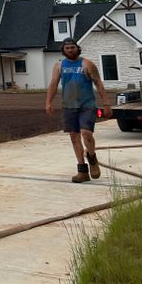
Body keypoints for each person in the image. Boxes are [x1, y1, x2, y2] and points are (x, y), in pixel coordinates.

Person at [45, 38, 113, 183]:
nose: (70, 50)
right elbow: (53, 84)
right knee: (74, 137)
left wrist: (107, 103)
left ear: (77, 48)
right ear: (63, 50)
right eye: (67, 48)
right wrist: (48, 102)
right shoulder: (59, 66)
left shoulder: (87, 64)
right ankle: (82, 171)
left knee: (86, 133)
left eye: (72, 47)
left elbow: (98, 83)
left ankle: (92, 158)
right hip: (69, 106)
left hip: (87, 105)